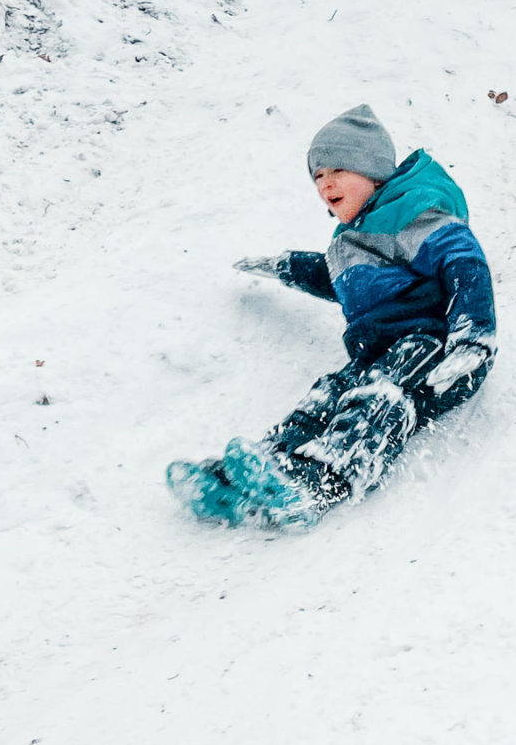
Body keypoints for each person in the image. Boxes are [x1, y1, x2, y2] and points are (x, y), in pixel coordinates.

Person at [168, 103, 496, 527]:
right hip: (376, 353)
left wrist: (473, 336)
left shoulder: (414, 212)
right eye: (318, 176)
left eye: (338, 170)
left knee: (380, 395)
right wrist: (285, 265)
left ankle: (318, 481)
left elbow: (463, 259)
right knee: (327, 395)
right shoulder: (352, 239)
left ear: (373, 170)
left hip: (431, 346)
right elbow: (335, 278)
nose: (326, 183)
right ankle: (261, 469)